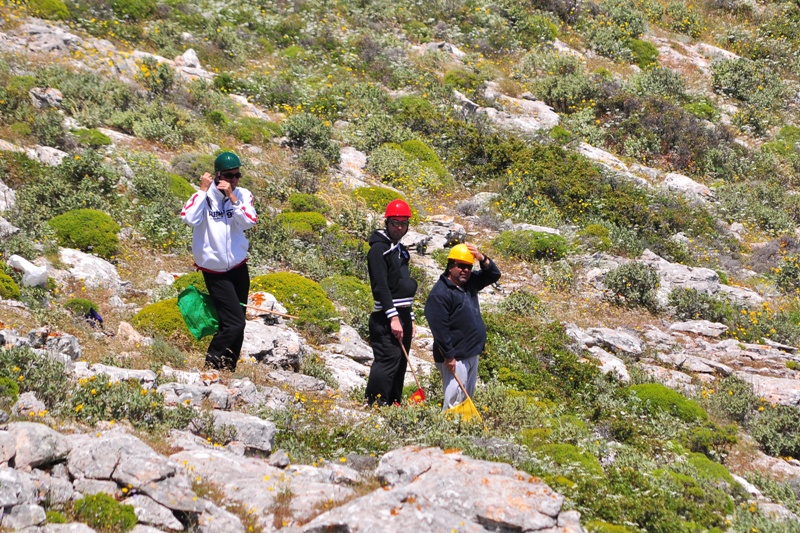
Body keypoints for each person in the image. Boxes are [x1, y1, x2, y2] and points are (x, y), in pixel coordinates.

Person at [180, 151, 257, 371]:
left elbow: (249, 221)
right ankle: (211, 365)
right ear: (217, 175)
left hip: (238, 268)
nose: (234, 180)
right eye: (229, 175)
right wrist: (202, 191)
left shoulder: (242, 195)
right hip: (215, 272)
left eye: (237, 175)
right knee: (234, 322)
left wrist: (233, 198)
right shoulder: (204, 197)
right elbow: (189, 218)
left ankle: (228, 369)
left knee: (237, 322)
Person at [424, 243, 501, 410]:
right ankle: (448, 425)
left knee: (466, 398)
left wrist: (482, 258)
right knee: (454, 401)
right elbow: (440, 329)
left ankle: (463, 425)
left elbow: (494, 274)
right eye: (461, 266)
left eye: (469, 267)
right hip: (455, 357)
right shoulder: (440, 294)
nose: (465, 270)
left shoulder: (469, 283)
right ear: (451, 266)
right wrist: (449, 356)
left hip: (472, 352)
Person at [365, 199, 418, 405]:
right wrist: (393, 317)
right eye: (395, 223)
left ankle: (394, 402)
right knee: (388, 359)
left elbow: (403, 285)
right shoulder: (379, 250)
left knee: (401, 361)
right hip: (386, 316)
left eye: (403, 223)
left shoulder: (400, 249)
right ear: (387, 222)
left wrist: (409, 317)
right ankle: (376, 402)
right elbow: (381, 287)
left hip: (402, 313)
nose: (399, 228)